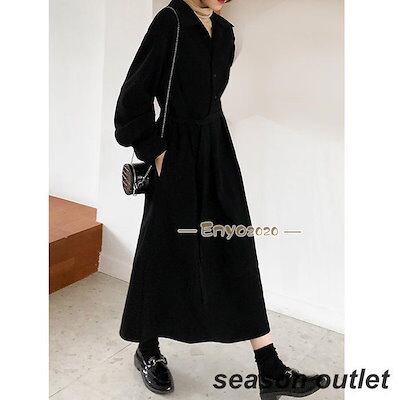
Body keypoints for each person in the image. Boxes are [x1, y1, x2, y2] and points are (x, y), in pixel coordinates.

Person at [114, 0, 326, 399]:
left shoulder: (226, 34)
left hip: (216, 150)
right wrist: (156, 152)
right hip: (174, 152)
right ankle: (147, 348)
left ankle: (270, 368)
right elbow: (131, 100)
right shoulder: (170, 22)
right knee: (164, 249)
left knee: (235, 246)